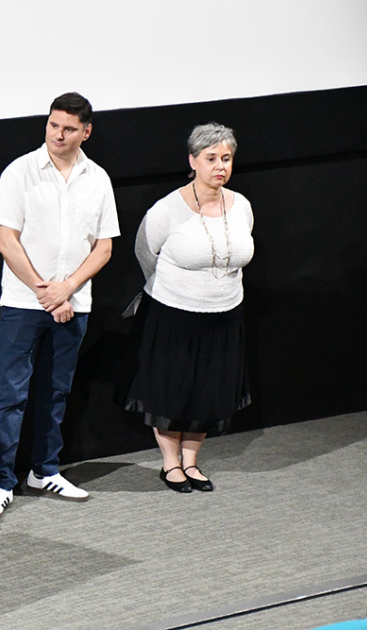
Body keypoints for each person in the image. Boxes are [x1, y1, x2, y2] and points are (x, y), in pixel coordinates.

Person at [0, 93, 120, 520]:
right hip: (23, 304)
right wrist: (47, 293)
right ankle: (3, 482)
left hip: (74, 304)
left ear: (86, 132)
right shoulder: (19, 172)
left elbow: (104, 247)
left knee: (56, 392)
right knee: (11, 394)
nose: (58, 134)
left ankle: (45, 471)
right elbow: (7, 242)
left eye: (69, 128)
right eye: (53, 125)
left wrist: (68, 289)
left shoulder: (98, 179)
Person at [120, 123, 254, 493]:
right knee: (171, 389)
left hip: (225, 315)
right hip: (174, 315)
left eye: (226, 158)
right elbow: (145, 252)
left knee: (209, 388)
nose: (220, 166)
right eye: (211, 158)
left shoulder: (242, 205)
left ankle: (191, 462)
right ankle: (170, 464)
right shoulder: (167, 209)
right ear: (193, 161)